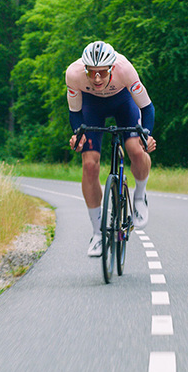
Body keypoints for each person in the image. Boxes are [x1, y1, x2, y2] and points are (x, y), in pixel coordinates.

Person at [66, 41, 157, 257]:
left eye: (103, 72)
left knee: (136, 150)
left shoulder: (125, 69)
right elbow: (75, 112)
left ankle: (140, 196)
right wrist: (78, 135)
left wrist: (146, 134)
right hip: (91, 107)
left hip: (123, 103)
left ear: (112, 68)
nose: (97, 79)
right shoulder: (73, 73)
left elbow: (147, 107)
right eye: (92, 73)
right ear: (85, 69)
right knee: (89, 165)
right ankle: (98, 234)